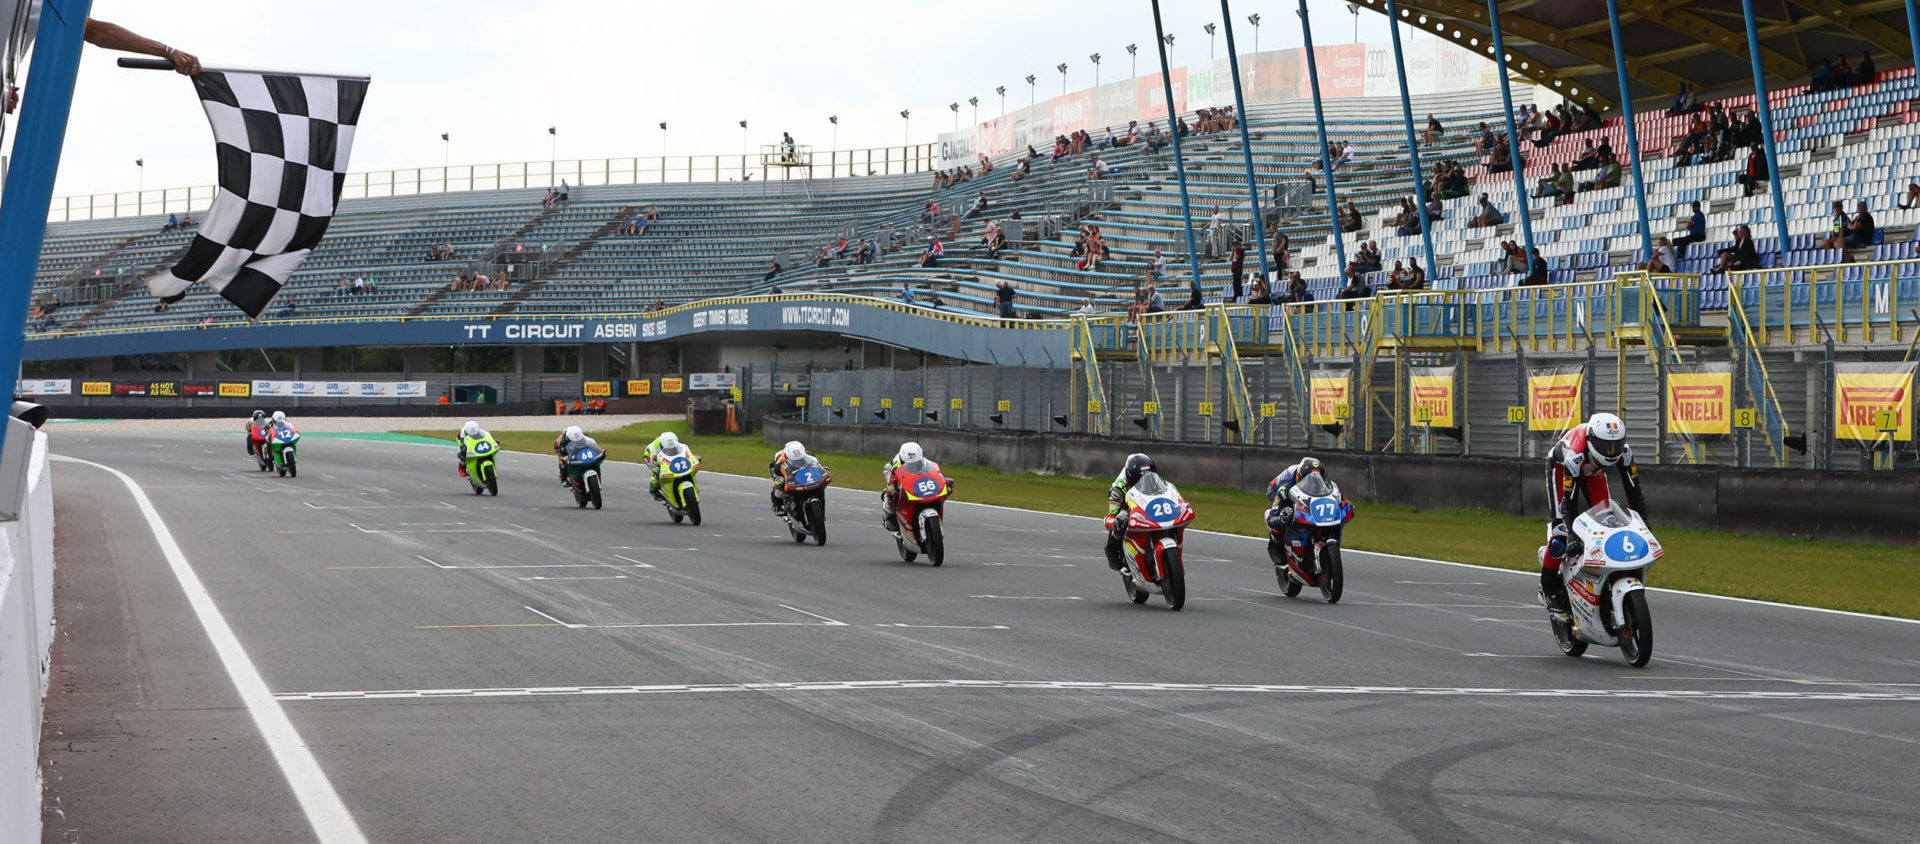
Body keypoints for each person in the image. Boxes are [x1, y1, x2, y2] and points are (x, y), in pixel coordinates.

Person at [1538, 413, 1645, 613]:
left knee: (1610, 520)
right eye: (1606, 446)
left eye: (1616, 445)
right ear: (1592, 440)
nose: (1612, 452)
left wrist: (1643, 523)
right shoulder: (1574, 454)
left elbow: (1634, 491)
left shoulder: (1625, 453)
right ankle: (1548, 587)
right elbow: (1568, 504)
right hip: (1561, 470)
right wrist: (1571, 534)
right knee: (1561, 532)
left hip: (1594, 472)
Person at [1264, 456, 1328, 558]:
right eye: (1309, 481)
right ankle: (1279, 545)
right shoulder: (1289, 481)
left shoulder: (1321, 482)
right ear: (1299, 477)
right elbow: (1272, 517)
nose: (1313, 484)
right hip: (1275, 490)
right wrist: (1281, 517)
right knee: (1287, 513)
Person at [1103, 453, 1158, 572]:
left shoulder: (1156, 483)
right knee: (1121, 520)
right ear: (1131, 478)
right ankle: (1112, 551)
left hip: (1147, 506)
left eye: (1148, 477)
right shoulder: (1118, 489)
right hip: (1127, 508)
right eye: (1140, 479)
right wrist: (1116, 521)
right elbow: (1110, 517)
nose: (1145, 482)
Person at [879, 441, 932, 532]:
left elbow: (931, 472)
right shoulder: (895, 464)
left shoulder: (924, 462)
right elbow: (889, 476)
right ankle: (889, 517)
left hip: (918, 483)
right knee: (890, 493)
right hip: (901, 482)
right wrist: (892, 487)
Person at [768, 440, 819, 513]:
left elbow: (816, 464)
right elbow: (776, 471)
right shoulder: (781, 457)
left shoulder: (808, 454)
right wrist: (780, 478)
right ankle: (776, 504)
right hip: (784, 472)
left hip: (803, 473)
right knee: (778, 483)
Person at [642, 430, 688, 501]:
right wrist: (657, 469)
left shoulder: (675, 443)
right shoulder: (655, 449)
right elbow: (653, 462)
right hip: (649, 457)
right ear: (662, 445)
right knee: (656, 472)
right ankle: (653, 490)